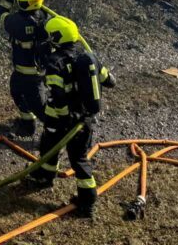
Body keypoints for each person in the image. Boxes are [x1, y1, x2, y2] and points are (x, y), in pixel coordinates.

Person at [27, 15, 115, 218]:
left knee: (49, 146)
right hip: (83, 121)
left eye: (51, 36)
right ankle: (86, 200)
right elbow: (110, 81)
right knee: (79, 158)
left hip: (60, 119)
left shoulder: (55, 63)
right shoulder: (88, 58)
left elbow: (57, 96)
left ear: (57, 38)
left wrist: (64, 119)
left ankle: (48, 178)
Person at [0, 0, 49, 137]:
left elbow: (0, 14)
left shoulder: (17, 22)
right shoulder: (44, 16)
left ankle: (59, 131)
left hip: (30, 75)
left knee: (40, 106)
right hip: (30, 71)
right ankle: (27, 123)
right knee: (17, 92)